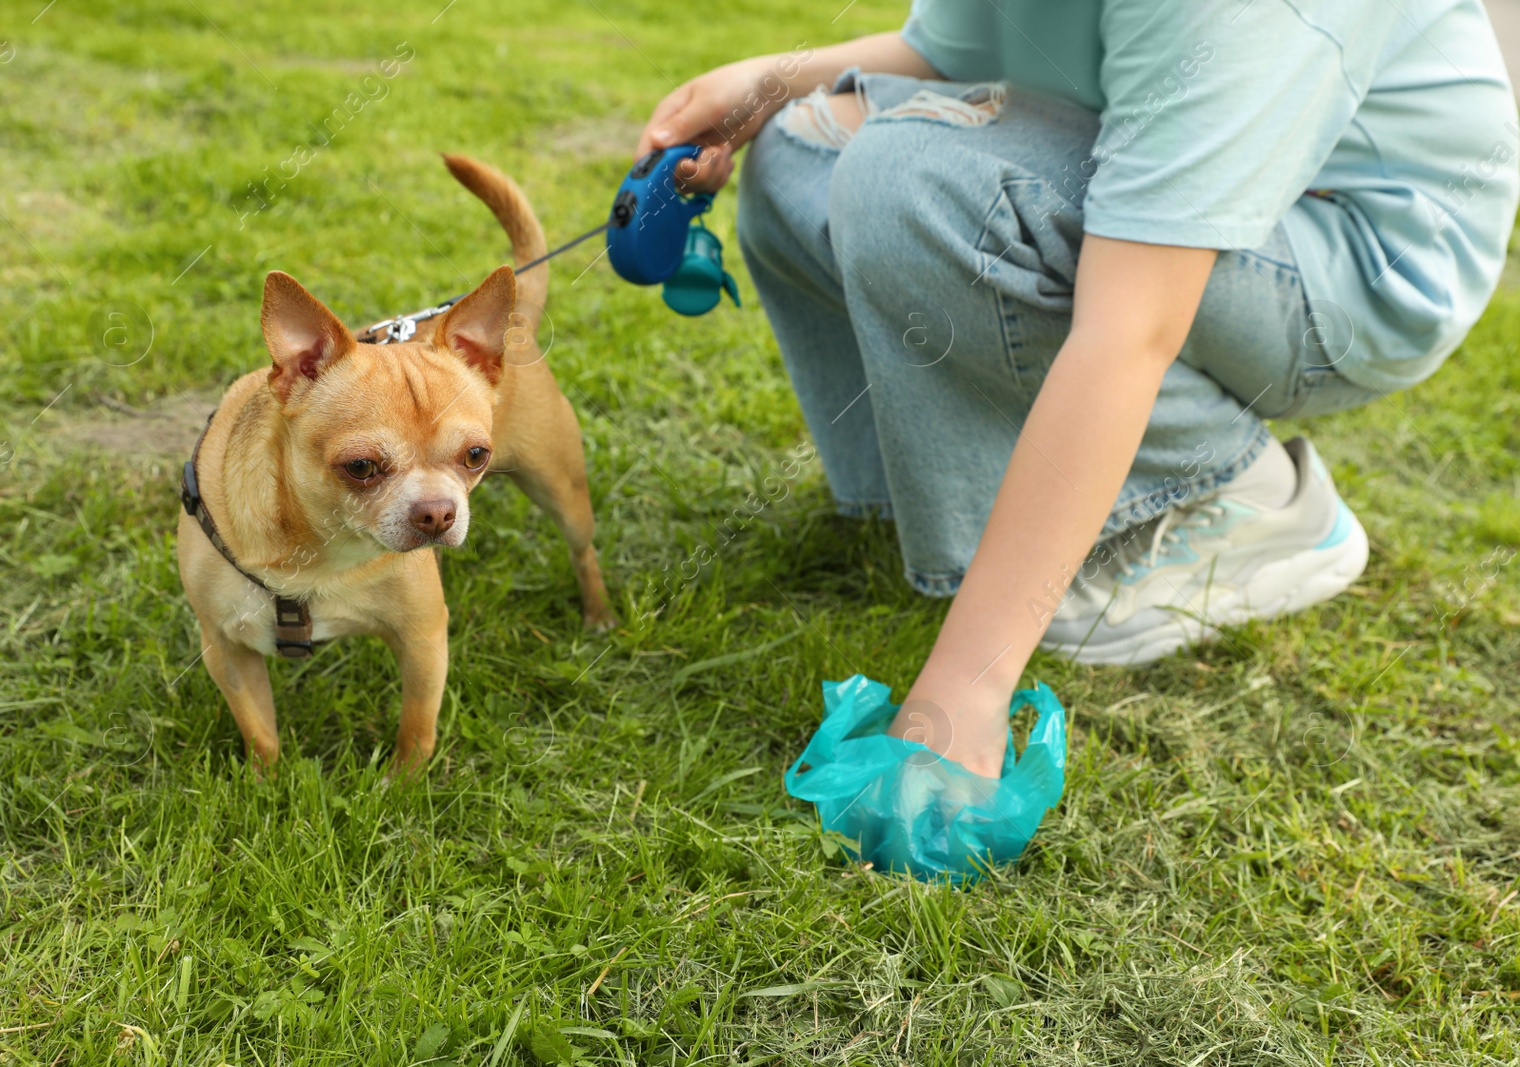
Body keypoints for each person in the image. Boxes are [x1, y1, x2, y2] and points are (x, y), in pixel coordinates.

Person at [635, 1, 1518, 780]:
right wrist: (769, 80)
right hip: (1162, 145)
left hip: (1350, 254)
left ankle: (1233, 490)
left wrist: (964, 698)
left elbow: (1129, 329)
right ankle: (953, 501)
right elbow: (952, 50)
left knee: (915, 183)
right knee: (803, 138)